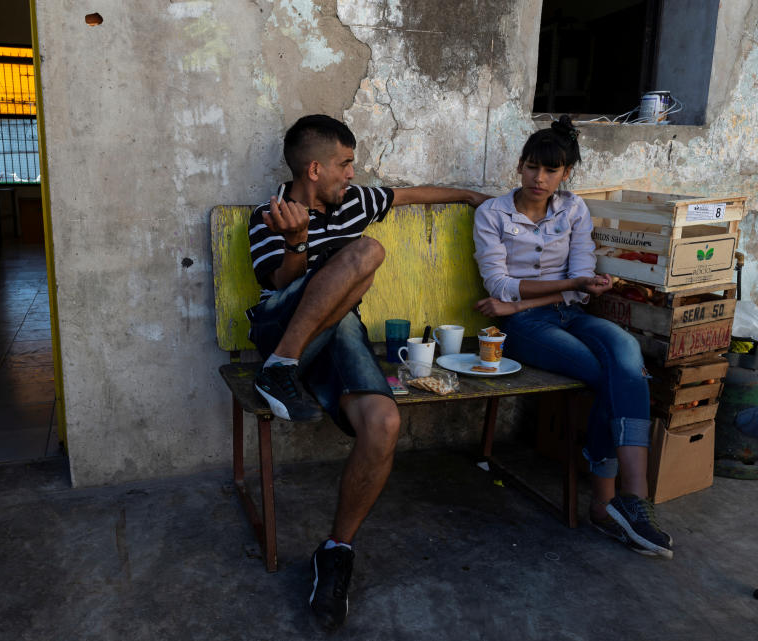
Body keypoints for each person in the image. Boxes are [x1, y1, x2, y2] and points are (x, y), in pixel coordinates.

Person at [247, 114, 490, 629]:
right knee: (369, 250)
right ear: (315, 168)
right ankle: (281, 366)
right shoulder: (270, 214)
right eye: (345, 164)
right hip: (279, 327)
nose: (352, 174)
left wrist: (468, 196)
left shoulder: (354, 202)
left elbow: (412, 195)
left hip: (340, 333)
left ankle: (336, 551)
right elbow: (279, 283)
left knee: (384, 424)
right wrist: (296, 241)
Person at [472, 115, 673, 559]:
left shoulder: (574, 209)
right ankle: (611, 505)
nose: (539, 179)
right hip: (524, 328)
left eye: (551, 170)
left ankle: (630, 500)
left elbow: (580, 275)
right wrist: (549, 295)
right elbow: (500, 285)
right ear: (520, 166)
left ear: (565, 174)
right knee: (610, 377)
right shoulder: (493, 214)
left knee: (627, 353)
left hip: (567, 313)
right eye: (532, 167)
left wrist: (578, 287)